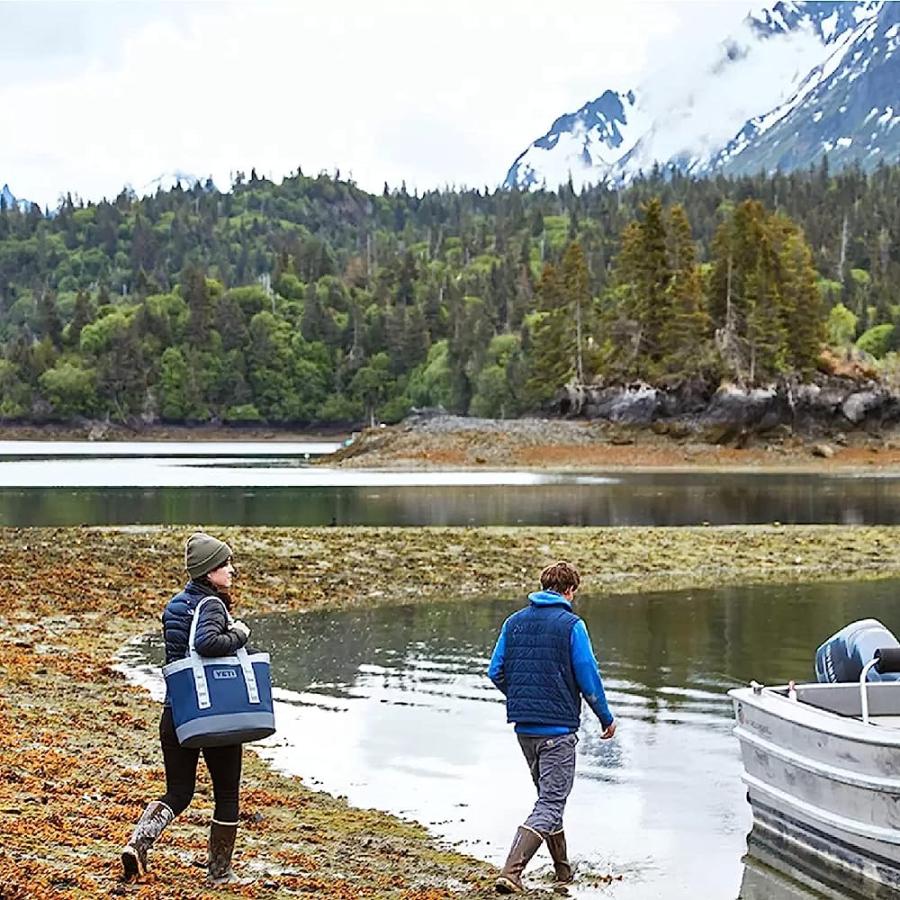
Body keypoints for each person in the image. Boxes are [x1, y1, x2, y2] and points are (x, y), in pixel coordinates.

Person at [121, 531, 253, 884]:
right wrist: (240, 634)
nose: (232, 570)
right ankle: (219, 873)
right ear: (209, 571)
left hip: (177, 712)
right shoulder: (212, 604)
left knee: (179, 793)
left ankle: (138, 844)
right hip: (213, 714)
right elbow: (207, 643)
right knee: (227, 795)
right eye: (225, 564)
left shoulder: (177, 604)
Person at [488, 560, 616, 894]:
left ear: (544, 586)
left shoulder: (513, 622)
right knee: (551, 803)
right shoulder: (572, 625)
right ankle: (511, 872)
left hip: (525, 729)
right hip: (557, 731)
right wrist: (605, 717)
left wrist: (523, 697)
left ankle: (563, 872)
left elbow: (495, 671)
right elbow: (588, 676)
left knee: (548, 800)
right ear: (570, 590)